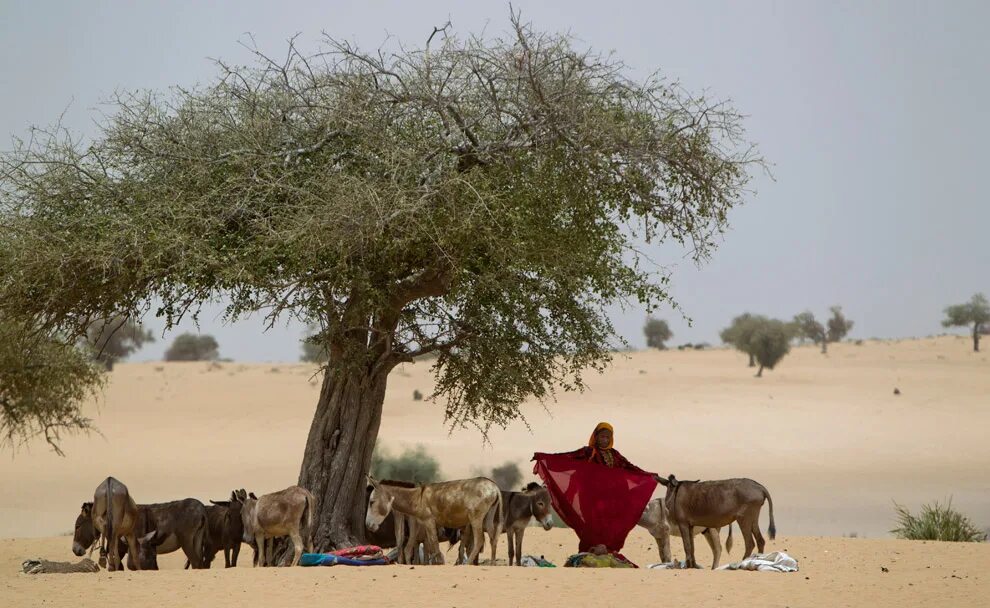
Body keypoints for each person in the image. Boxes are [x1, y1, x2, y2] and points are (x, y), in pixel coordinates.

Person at [532, 422, 660, 555]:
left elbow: (630, 468)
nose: (604, 440)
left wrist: (650, 476)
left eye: (607, 437)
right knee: (593, 527)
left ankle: (608, 550)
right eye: (602, 437)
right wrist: (543, 457)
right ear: (595, 436)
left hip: (612, 498)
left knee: (611, 527)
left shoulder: (615, 455)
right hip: (592, 499)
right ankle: (590, 551)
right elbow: (565, 458)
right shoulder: (587, 452)